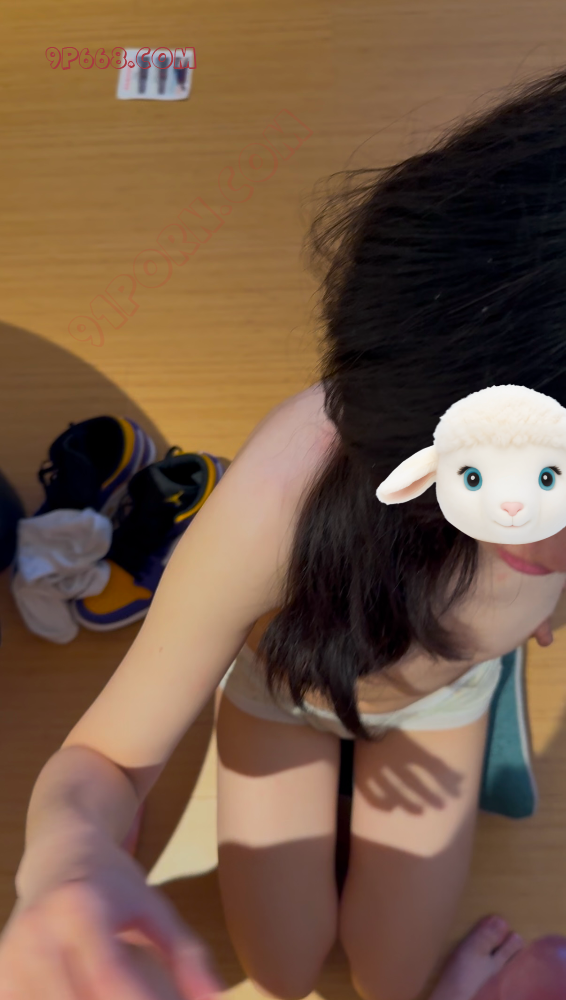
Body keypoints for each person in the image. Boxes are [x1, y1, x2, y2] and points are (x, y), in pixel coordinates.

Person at [3, 66, 566, 1000]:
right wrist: (63, 858)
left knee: (392, 979)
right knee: (283, 966)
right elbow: (104, 758)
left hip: (442, 702)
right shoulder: (280, 502)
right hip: (287, 694)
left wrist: (531, 612)